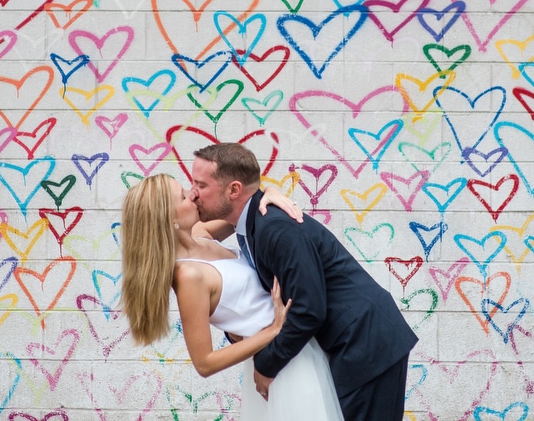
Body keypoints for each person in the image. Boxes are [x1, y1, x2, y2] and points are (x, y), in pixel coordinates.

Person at [190, 143, 419, 421]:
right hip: (350, 342)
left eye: (200, 185)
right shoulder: (250, 224)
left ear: (234, 190)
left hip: (365, 343)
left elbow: (309, 309)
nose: (193, 193)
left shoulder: (274, 227)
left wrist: (266, 365)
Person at [119, 174, 343, 420]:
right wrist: (273, 330)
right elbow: (205, 363)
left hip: (299, 345)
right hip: (281, 366)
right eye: (183, 196)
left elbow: (244, 208)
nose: (192, 193)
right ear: (169, 219)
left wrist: (270, 192)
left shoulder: (200, 232)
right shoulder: (188, 276)